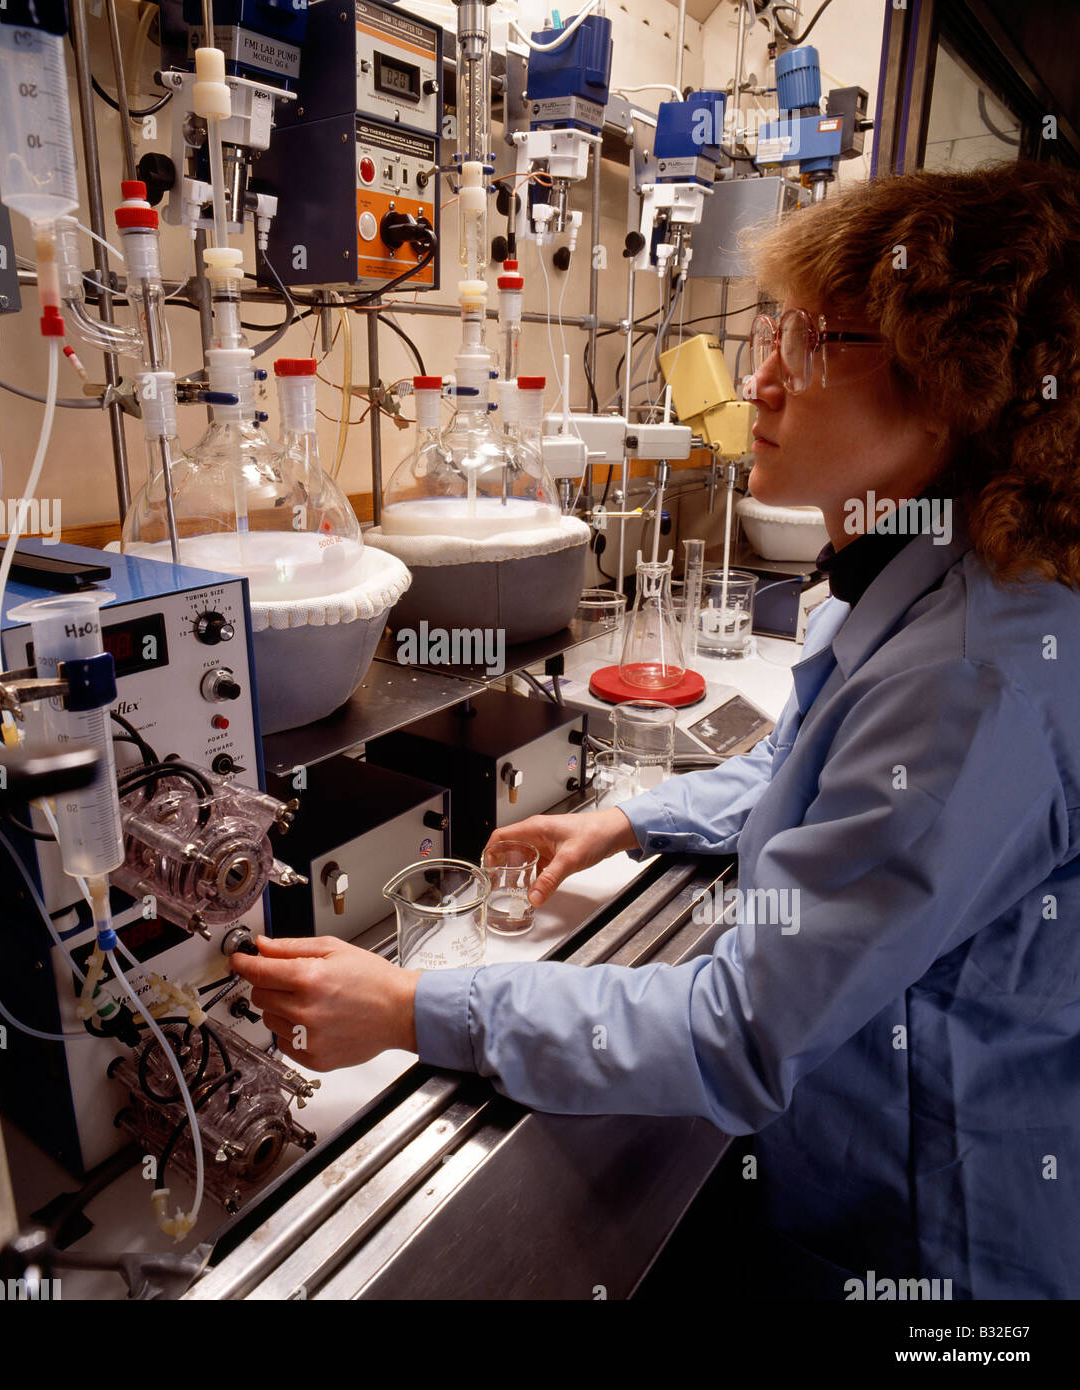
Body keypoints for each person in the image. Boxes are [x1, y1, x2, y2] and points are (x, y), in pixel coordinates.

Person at [231, 161, 1080, 1299]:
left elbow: (737, 1032)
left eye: (813, 344)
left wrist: (409, 1005)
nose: (759, 383)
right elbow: (804, 766)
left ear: (948, 386)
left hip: (937, 1244)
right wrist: (625, 819)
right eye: (769, 334)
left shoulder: (972, 680)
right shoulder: (934, 576)